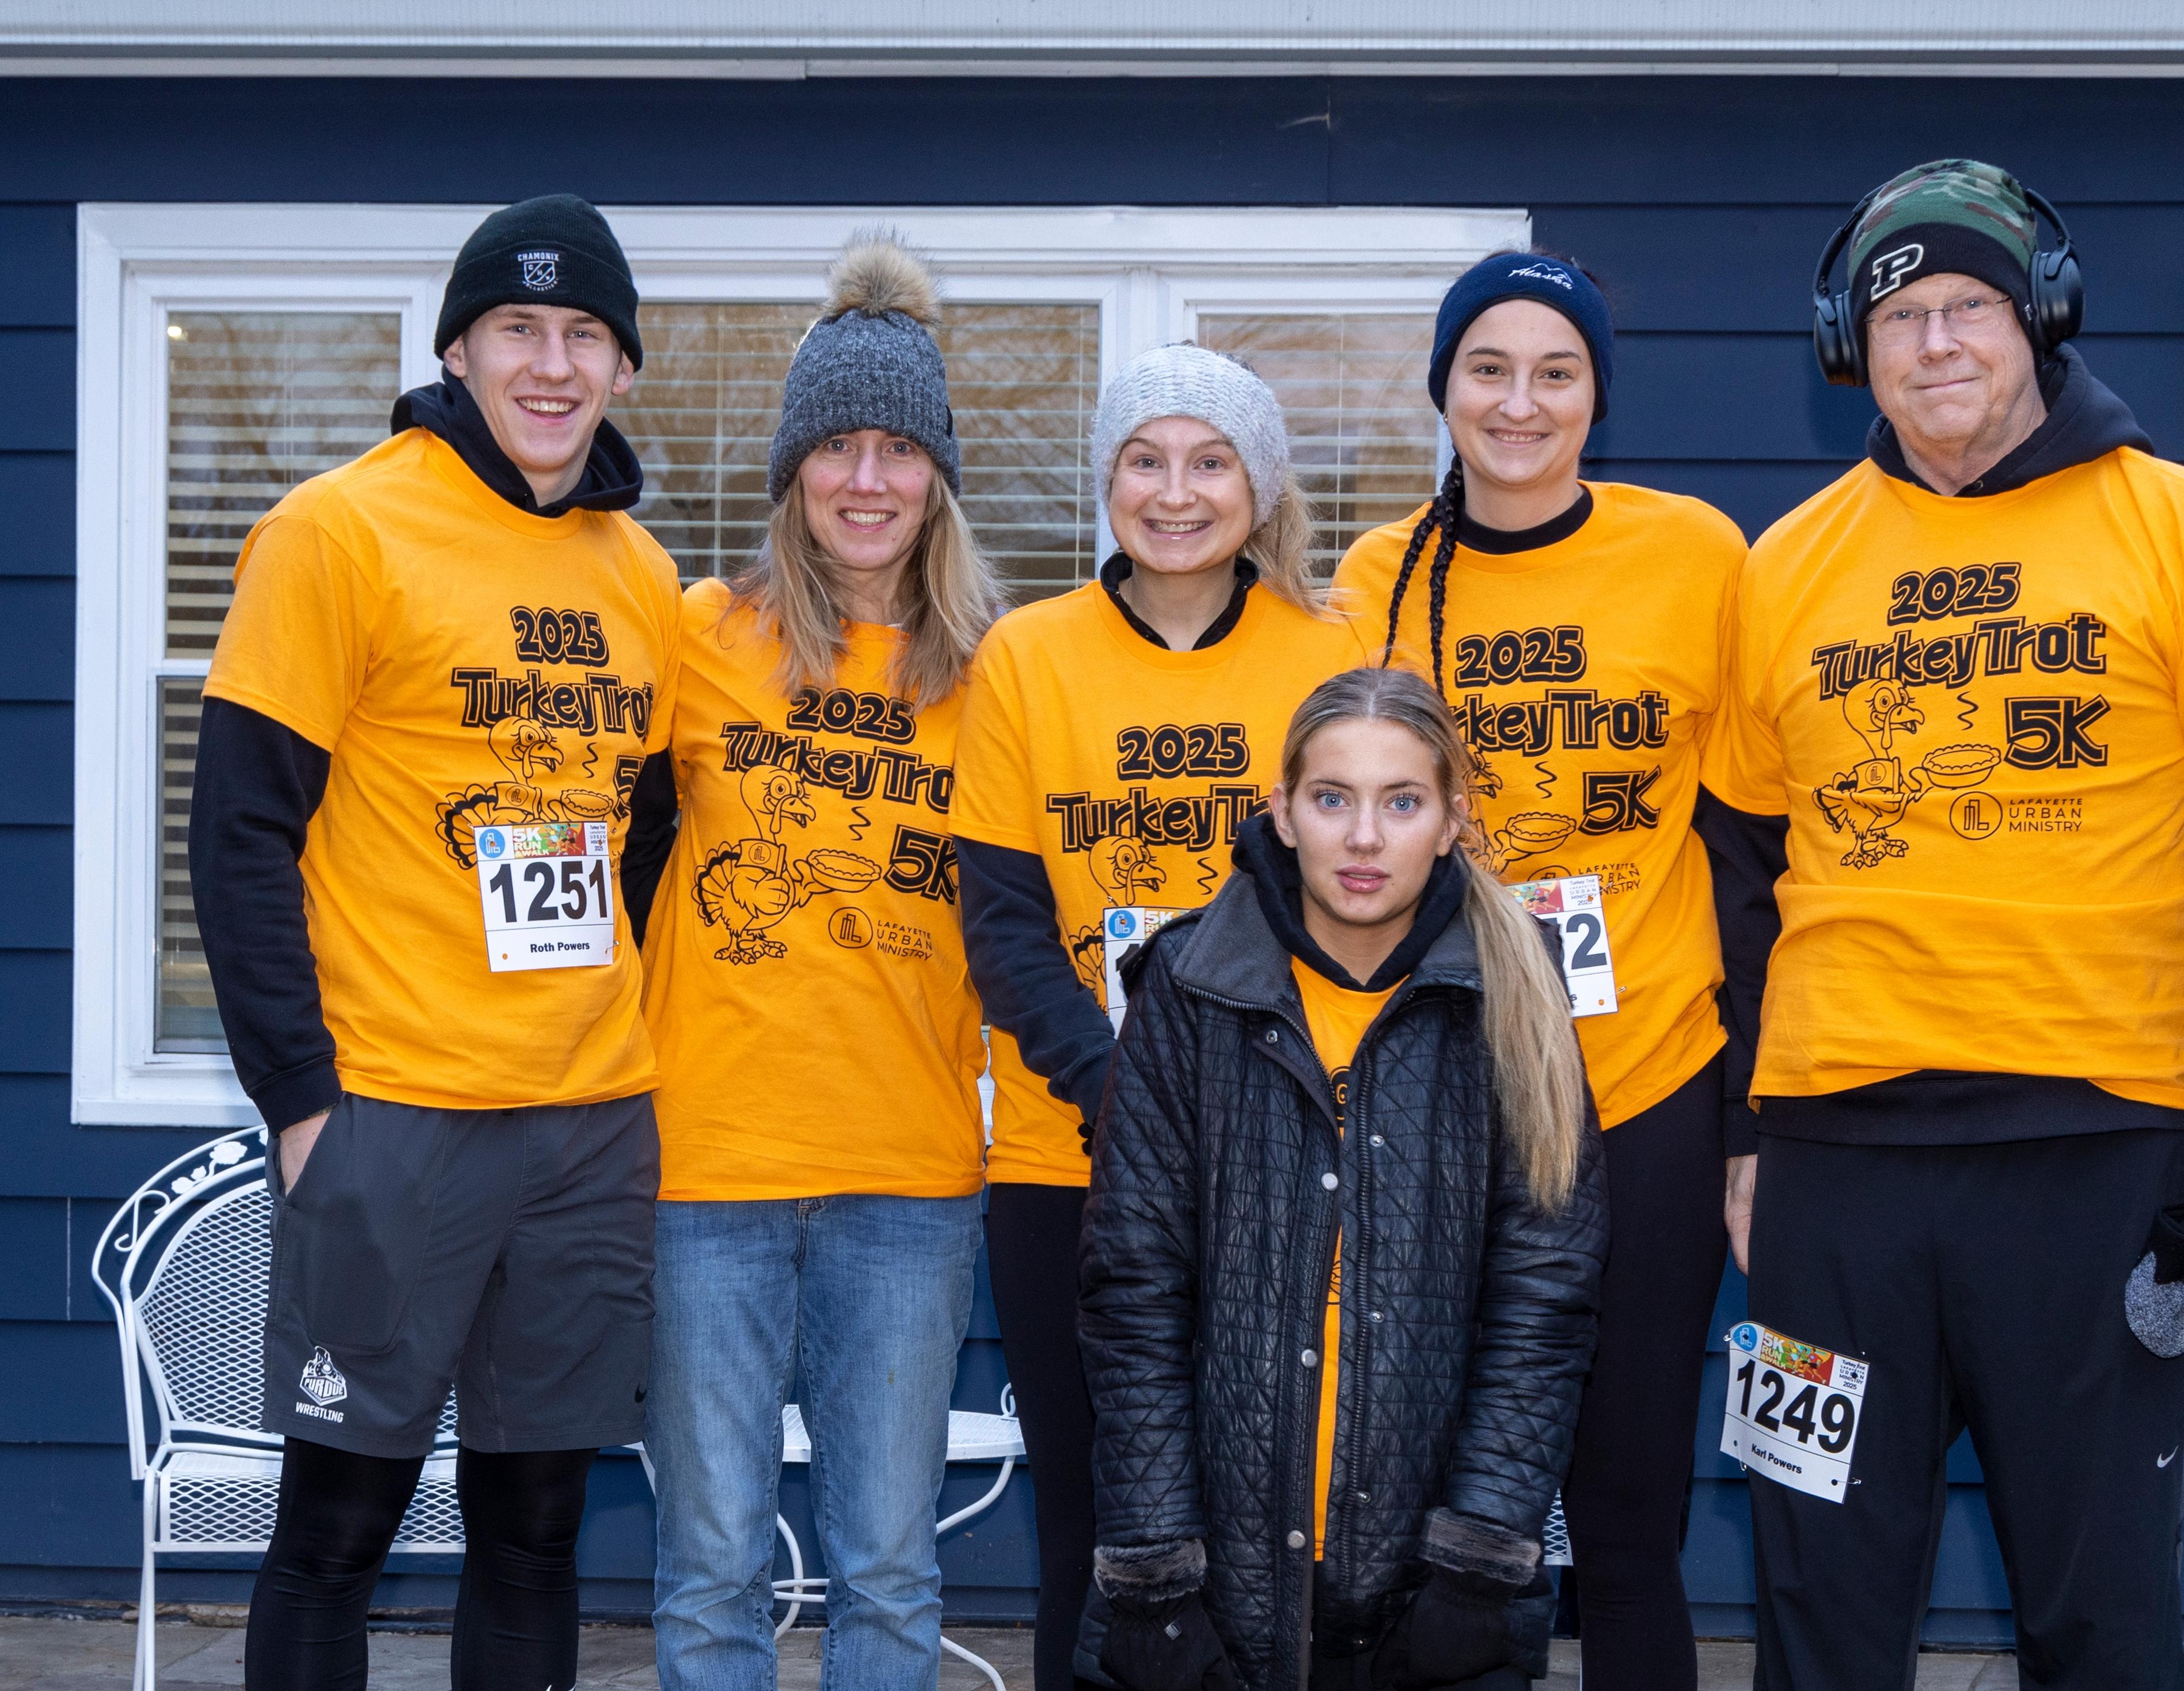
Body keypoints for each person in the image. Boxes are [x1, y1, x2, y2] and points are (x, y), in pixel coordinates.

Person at [1697, 158, 2184, 1689]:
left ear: (2036, 320)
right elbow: (1735, 878)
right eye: (1899, 312)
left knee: (2098, 1607)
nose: (1932, 342)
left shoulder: (2180, 529)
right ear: (1847, 344)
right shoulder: (1785, 565)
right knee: (1815, 1595)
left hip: (2096, 1156)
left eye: (1966, 306)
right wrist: (1741, 1135)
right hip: (1830, 1170)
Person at [189, 195, 681, 1691]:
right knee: (340, 1525)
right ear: (457, 347)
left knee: (536, 1530)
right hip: (393, 1114)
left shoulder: (639, 577)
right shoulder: (338, 530)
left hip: (586, 1123)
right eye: (518, 329)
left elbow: (641, 837)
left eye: (584, 334)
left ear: (619, 366)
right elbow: (237, 835)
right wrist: (300, 1101)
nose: (551, 364)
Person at [1330, 250, 1749, 1685]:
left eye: (1556, 370)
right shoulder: (1376, 577)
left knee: (1627, 1516)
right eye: (1488, 368)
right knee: (1438, 1510)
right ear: (1444, 388)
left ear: (1597, 395)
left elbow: (1756, 840)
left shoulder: (1695, 553)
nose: (1520, 400)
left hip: (1649, 1091)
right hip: (1447, 1095)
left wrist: (1757, 1115)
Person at [951, 343, 1366, 1690]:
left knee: (1274, 1516)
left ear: (1260, 487)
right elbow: (1005, 926)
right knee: (1093, 1522)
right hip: (1068, 1158)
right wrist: (1124, 1086)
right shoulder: (1026, 656)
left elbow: (1371, 904)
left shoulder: (1330, 657)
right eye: (1144, 459)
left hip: (1289, 1155)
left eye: (1209, 460)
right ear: (1106, 484)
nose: (1174, 493)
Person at [621, 233, 999, 1690]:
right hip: (703, 1167)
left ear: (937, 475)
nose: (866, 479)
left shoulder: (993, 672)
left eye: (898, 448)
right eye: (835, 445)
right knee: (712, 1559)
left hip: (907, 1181)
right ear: (791, 469)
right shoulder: (699, 637)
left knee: (889, 1568)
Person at [1078, 666, 1609, 1691]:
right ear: (1281, 811)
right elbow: (1132, 1293)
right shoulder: (1188, 988)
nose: (1364, 838)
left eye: (1401, 802)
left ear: (1453, 819)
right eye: (1333, 799)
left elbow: (1545, 1297)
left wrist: (1478, 1562)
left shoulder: (1519, 995)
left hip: (1430, 1591)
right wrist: (1153, 1580)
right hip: (1216, 1592)